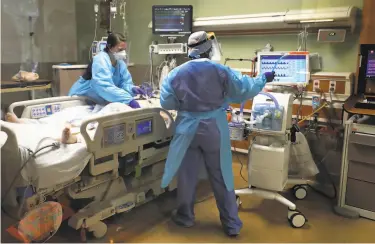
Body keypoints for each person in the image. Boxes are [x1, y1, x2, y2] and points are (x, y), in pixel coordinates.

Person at [159, 31, 275, 237]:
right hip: (213, 128)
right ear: (209, 47)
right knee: (222, 175)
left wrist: (187, 105)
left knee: (186, 175)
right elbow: (243, 89)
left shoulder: (176, 73)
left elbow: (166, 102)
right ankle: (231, 224)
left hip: (187, 129)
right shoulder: (220, 70)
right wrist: (262, 79)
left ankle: (185, 216)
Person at [69, 32, 144, 109]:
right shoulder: (100, 60)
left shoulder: (120, 64)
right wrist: (128, 100)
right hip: (81, 99)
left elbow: (123, 84)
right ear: (110, 47)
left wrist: (132, 89)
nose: (123, 53)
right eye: (120, 49)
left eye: (124, 50)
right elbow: (104, 86)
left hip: (99, 99)